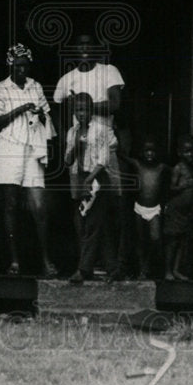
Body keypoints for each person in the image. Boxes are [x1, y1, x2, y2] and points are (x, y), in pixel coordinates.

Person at [52, 32, 128, 275]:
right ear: (74, 49)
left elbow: (116, 104)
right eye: (79, 44)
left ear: (97, 48)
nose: (84, 48)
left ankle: (110, 263)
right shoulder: (68, 79)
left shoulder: (109, 71)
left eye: (89, 44)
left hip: (104, 143)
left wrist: (83, 104)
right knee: (81, 208)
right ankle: (90, 262)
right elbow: (58, 108)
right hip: (80, 143)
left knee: (109, 205)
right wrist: (71, 137)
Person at [0, 43, 56, 278]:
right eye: (17, 66)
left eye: (25, 66)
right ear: (10, 65)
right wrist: (21, 108)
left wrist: (40, 113)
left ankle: (46, 261)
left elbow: (47, 113)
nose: (22, 71)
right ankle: (15, 261)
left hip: (32, 147)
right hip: (9, 148)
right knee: (10, 204)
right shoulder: (0, 88)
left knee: (39, 206)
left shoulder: (35, 86)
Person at [64, 92, 120, 284]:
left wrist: (89, 180)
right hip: (80, 180)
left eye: (85, 109)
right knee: (86, 224)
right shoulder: (72, 132)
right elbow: (67, 160)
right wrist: (77, 147)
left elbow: (103, 161)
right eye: (78, 109)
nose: (81, 113)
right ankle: (114, 267)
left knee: (92, 225)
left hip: (96, 179)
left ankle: (83, 269)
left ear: (91, 110)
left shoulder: (100, 130)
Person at [127, 137, 167, 279]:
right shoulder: (138, 165)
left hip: (154, 208)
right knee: (140, 239)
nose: (149, 154)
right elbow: (121, 155)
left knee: (155, 238)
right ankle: (142, 269)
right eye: (146, 151)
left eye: (152, 151)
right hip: (139, 207)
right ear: (141, 153)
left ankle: (152, 266)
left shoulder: (161, 167)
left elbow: (173, 175)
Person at [164, 133, 193, 281]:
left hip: (185, 212)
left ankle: (176, 270)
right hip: (175, 211)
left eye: (192, 151)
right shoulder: (178, 168)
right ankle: (167, 271)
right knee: (173, 241)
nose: (189, 154)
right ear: (179, 152)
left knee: (182, 242)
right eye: (186, 151)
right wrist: (182, 186)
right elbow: (170, 188)